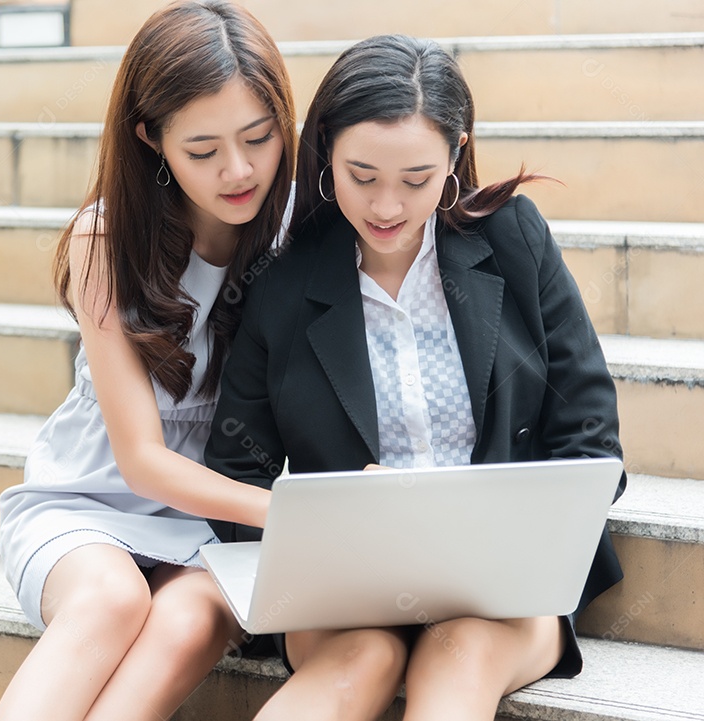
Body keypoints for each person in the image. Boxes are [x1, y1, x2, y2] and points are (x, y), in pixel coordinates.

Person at [203, 34, 625, 721]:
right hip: (346, 589)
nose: (388, 207)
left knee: (457, 657)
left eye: (417, 179)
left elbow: (590, 438)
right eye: (362, 176)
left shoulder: (513, 240)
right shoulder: (281, 286)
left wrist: (521, 534)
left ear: (456, 153)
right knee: (358, 661)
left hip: (499, 584)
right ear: (326, 154)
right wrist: (337, 521)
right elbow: (231, 480)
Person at [0, 2, 295, 719]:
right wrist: (294, 514)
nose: (238, 169)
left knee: (191, 618)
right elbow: (141, 462)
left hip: (211, 525)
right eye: (202, 150)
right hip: (86, 501)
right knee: (112, 597)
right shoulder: (107, 239)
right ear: (150, 139)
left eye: (259, 137)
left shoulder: (291, 228)